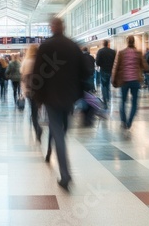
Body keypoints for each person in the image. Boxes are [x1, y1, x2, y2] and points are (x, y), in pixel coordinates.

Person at [31, 17, 91, 191]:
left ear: (52, 28)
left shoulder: (46, 46)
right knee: (62, 131)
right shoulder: (73, 46)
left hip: (51, 96)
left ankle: (65, 174)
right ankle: (54, 152)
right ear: (64, 27)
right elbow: (86, 71)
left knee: (58, 132)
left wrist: (38, 98)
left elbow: (38, 75)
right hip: (70, 97)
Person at [111, 35, 148, 130]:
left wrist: (113, 79)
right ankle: (129, 122)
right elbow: (145, 67)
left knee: (123, 101)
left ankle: (123, 121)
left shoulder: (121, 53)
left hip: (124, 81)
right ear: (134, 42)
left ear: (127, 42)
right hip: (135, 80)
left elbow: (116, 67)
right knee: (134, 102)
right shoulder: (138, 53)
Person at [21, 44, 42, 140]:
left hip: (30, 90)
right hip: (39, 89)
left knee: (33, 111)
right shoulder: (41, 61)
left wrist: (24, 91)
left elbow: (23, 77)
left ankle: (37, 128)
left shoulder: (26, 61)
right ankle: (38, 126)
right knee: (36, 109)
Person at [95, 40, 116, 109]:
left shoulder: (100, 51)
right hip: (110, 70)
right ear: (108, 44)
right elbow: (115, 61)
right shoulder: (113, 52)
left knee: (103, 85)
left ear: (103, 44)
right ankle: (108, 98)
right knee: (108, 84)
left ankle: (105, 101)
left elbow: (97, 62)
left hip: (103, 70)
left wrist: (101, 64)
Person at [81, 47, 96, 126]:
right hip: (90, 76)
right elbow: (94, 63)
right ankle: (88, 118)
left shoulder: (80, 57)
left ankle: (85, 117)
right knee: (88, 93)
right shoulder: (91, 57)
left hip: (82, 79)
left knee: (84, 96)